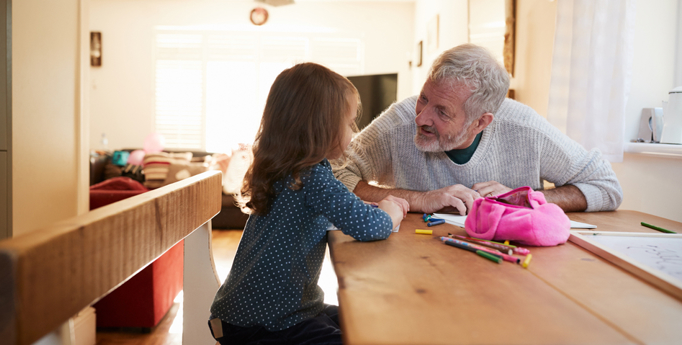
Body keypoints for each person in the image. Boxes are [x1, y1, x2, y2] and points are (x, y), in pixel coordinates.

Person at [208, 62, 409, 345]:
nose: (353, 130)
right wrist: (391, 212)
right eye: (349, 122)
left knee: (364, 321)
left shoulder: (286, 168)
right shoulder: (310, 176)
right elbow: (368, 227)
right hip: (265, 322)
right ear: (322, 126)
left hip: (257, 311)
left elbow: (343, 208)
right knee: (364, 334)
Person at [333, 43, 622, 215]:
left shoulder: (524, 128)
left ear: (481, 122)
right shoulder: (399, 121)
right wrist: (421, 199)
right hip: (415, 265)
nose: (420, 117)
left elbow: (606, 186)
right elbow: (331, 173)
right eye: (424, 98)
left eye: (442, 112)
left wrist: (527, 198)